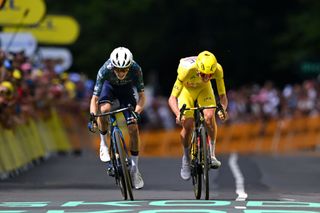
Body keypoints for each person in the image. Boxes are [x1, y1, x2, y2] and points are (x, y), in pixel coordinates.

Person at [89, 47, 145, 189]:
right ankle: (103, 143)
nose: (121, 73)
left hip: (126, 90)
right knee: (104, 110)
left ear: (129, 66)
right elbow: (95, 98)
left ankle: (135, 168)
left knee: (133, 127)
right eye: (118, 69)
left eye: (124, 70)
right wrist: (92, 117)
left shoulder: (136, 69)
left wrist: (136, 113)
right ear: (112, 66)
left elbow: (142, 96)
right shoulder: (105, 69)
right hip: (109, 87)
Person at [168, 50, 228, 180]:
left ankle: (212, 155)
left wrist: (222, 109)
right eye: (203, 74)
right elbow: (172, 98)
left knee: (209, 116)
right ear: (197, 69)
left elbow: (223, 96)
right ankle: (186, 158)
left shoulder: (218, 70)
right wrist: (178, 114)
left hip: (203, 90)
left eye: (209, 75)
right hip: (186, 91)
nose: (206, 78)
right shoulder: (186, 70)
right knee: (188, 125)